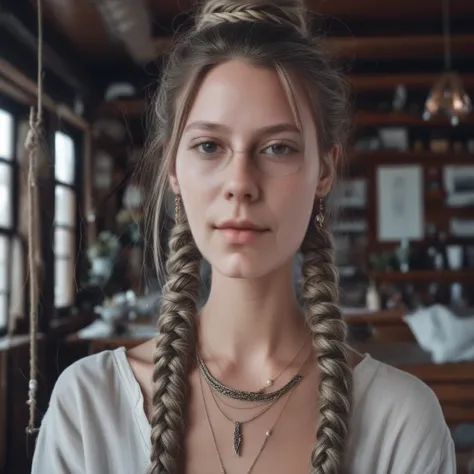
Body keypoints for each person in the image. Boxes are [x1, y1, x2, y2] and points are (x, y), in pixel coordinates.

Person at [31, 1, 456, 473]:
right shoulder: (89, 409)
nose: (240, 182)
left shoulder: (401, 423)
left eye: (278, 148)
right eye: (209, 146)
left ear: (325, 169)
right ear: (173, 168)